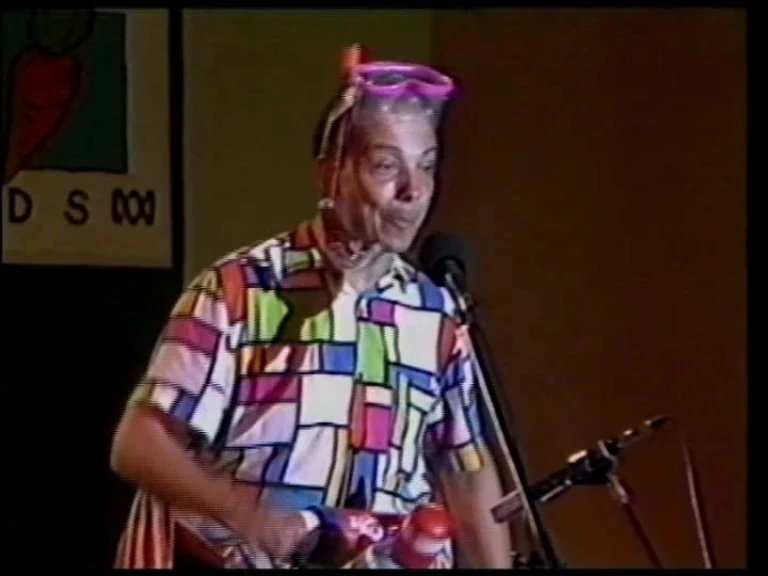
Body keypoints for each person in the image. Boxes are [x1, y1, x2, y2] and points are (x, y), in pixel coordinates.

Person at [110, 46, 513, 569]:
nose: (413, 191)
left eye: (427, 166)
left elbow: (467, 471)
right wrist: (249, 516)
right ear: (331, 173)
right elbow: (139, 444)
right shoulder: (241, 289)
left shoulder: (433, 312)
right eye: (386, 166)